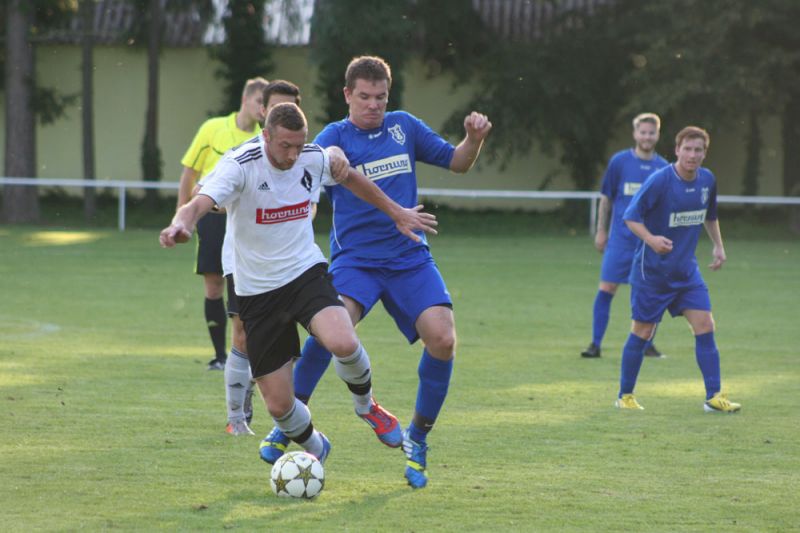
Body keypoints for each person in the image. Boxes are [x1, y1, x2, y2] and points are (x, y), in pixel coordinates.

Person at [259, 56, 492, 489]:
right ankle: (290, 422)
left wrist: (473, 140)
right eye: (364, 97)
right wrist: (330, 161)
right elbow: (313, 168)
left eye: (380, 97)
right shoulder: (334, 137)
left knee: (443, 338)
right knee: (330, 332)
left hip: (408, 258)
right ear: (347, 95)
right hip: (356, 261)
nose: (373, 105)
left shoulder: (404, 127)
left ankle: (418, 437)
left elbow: (459, 162)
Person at [161, 102, 440, 463]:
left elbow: (352, 178)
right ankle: (316, 448)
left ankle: (366, 406)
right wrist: (181, 225)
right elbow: (198, 203)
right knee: (279, 406)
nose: (293, 155)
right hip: (258, 291)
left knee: (343, 340)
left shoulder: (310, 157)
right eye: (285, 146)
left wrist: (397, 212)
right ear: (266, 136)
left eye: (299, 144)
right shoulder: (240, 164)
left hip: (304, 273)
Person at [614, 125, 741, 413]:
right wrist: (652, 239)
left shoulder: (707, 180)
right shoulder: (660, 180)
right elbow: (630, 217)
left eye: (698, 150)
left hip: (686, 273)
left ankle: (713, 397)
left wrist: (718, 246)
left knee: (705, 325)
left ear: (705, 153)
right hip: (652, 274)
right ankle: (625, 396)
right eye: (688, 149)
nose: (692, 155)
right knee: (643, 332)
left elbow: (710, 215)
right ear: (677, 150)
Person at [221, 80, 304, 436]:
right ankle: (237, 417)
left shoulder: (302, 157)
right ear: (262, 113)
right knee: (242, 334)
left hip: (289, 263)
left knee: (286, 342)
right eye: (275, 107)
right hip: (245, 261)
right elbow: (210, 192)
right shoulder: (242, 157)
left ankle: (283, 408)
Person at [178, 77, 269, 370]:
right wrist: (183, 215)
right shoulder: (213, 128)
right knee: (214, 284)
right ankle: (220, 356)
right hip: (213, 216)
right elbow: (189, 172)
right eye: (259, 102)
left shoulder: (265, 138)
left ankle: (245, 353)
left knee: (246, 287)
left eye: (266, 104)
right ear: (245, 100)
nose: (263, 109)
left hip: (247, 221)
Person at [581, 113, 669, 359]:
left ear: (657, 135)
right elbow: (606, 198)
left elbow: (666, 208)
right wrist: (601, 231)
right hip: (620, 242)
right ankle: (595, 344)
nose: (647, 137)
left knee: (648, 294)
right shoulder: (619, 162)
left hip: (648, 244)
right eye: (643, 132)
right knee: (607, 288)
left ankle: (647, 344)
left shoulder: (664, 168)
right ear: (635, 134)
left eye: (651, 133)